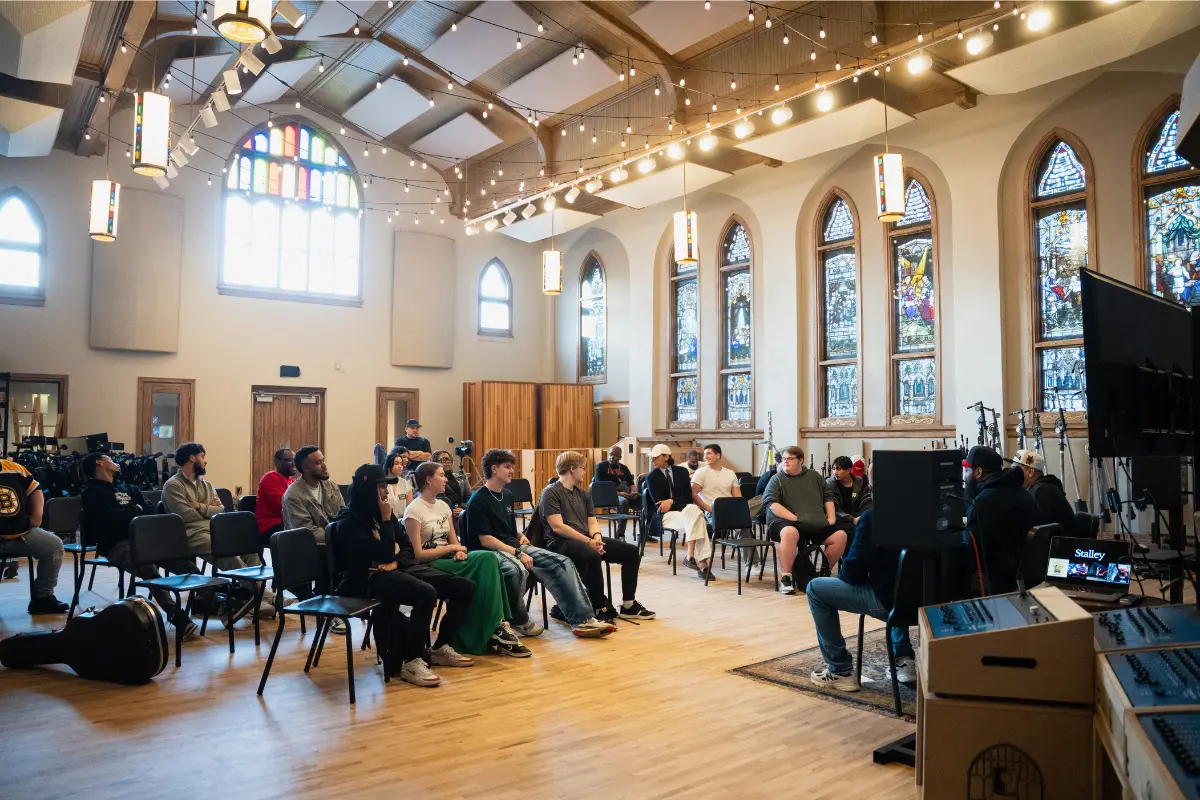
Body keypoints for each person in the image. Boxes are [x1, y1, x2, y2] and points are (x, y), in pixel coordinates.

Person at [464, 448, 613, 638]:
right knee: (517, 569)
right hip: (491, 551)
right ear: (494, 469)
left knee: (562, 562)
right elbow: (485, 539)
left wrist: (520, 535)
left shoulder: (507, 495)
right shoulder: (478, 499)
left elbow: (506, 528)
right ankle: (518, 620)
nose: (512, 471)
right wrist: (518, 552)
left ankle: (583, 620)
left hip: (514, 546)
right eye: (507, 467)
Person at [328, 464, 444, 688]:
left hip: (387, 574)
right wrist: (386, 521)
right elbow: (384, 551)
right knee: (426, 593)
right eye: (381, 487)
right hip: (360, 582)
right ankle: (412, 661)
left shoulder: (380, 513)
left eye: (386, 487)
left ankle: (428, 651)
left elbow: (407, 546)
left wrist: (396, 562)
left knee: (446, 585)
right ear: (366, 490)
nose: (385, 492)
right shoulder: (349, 521)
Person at [805, 464, 915, 691]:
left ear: (873, 486)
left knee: (815, 589)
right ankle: (904, 659)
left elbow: (851, 573)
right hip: (927, 602)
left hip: (887, 601)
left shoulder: (873, 518)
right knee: (902, 583)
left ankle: (840, 670)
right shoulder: (928, 515)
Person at [403, 461, 527, 658]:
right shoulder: (413, 510)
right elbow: (418, 555)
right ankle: (496, 625)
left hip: (449, 557)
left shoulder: (443, 505)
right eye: (441, 475)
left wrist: (459, 551)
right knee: (486, 561)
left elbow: (455, 542)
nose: (446, 479)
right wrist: (452, 549)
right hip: (429, 563)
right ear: (428, 480)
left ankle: (497, 624)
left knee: (489, 559)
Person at [80, 453, 198, 638]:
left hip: (146, 541)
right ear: (99, 463)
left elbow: (150, 510)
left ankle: (215, 602)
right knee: (148, 566)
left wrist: (128, 513)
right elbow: (110, 520)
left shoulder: (129, 488)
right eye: (109, 459)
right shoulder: (91, 494)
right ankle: (177, 616)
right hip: (117, 545)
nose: (115, 462)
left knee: (184, 563)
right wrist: (135, 510)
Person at [540, 451, 655, 623]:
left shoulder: (583, 493)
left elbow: (592, 521)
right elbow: (558, 527)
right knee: (591, 554)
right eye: (582, 468)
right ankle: (600, 606)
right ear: (572, 469)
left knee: (630, 551)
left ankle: (628, 605)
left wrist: (597, 538)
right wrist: (589, 541)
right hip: (561, 542)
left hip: (586, 539)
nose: (585, 471)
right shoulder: (550, 492)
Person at [163, 442, 273, 619]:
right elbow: (186, 516)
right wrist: (209, 509)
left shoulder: (206, 484)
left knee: (249, 549)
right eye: (202, 456)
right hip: (191, 535)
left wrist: (199, 506)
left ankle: (256, 596)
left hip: (215, 530)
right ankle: (262, 595)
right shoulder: (173, 485)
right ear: (192, 458)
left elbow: (220, 510)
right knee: (228, 555)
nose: (205, 461)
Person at [763, 445, 850, 595]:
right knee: (790, 532)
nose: (785, 461)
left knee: (840, 536)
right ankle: (786, 578)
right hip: (784, 521)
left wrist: (831, 518)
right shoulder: (776, 479)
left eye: (790, 459)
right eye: (784, 459)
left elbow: (828, 495)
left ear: (801, 460)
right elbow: (772, 503)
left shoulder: (814, 476)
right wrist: (796, 518)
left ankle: (824, 574)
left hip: (813, 520)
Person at [963, 446, 1041, 595]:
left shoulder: (983, 503)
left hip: (998, 584)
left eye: (967, 470)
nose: (965, 475)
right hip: (1026, 581)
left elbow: (969, 546)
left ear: (978, 472)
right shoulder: (1023, 493)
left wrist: (968, 504)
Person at [0, 457, 68, 614]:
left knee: (53, 545)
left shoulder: (15, 469)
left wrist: (37, 516)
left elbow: (35, 489)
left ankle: (43, 598)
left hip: (21, 533)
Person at [645, 444, 712, 580]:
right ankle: (702, 563)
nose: (653, 460)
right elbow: (660, 505)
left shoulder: (682, 472)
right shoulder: (651, 477)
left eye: (656, 457)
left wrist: (671, 501)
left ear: (666, 457)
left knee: (694, 511)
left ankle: (691, 556)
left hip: (685, 512)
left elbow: (688, 498)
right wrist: (675, 502)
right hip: (665, 516)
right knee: (698, 518)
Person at [280, 446, 344, 545]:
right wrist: (339, 536)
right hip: (309, 549)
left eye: (323, 460)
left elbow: (343, 515)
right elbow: (307, 533)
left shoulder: (331, 486)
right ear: (305, 468)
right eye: (318, 463)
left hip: (334, 544)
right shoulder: (293, 496)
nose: (324, 465)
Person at [1013, 449, 1075, 534]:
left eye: (1015, 469)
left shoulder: (1040, 492)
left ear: (1030, 472)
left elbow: (1036, 530)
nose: (1013, 473)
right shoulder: (1046, 487)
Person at [593, 445, 641, 539]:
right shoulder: (601, 466)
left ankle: (644, 534)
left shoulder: (624, 468)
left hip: (626, 494)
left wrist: (633, 491)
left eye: (615, 455)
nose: (612, 457)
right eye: (610, 454)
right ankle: (619, 535)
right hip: (608, 496)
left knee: (643, 500)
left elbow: (631, 484)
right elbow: (600, 487)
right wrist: (618, 494)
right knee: (623, 502)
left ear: (620, 457)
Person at [255, 448, 295, 546]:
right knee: (304, 534)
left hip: (288, 523)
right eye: (289, 460)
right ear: (277, 462)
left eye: (295, 460)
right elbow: (282, 507)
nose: (294, 463)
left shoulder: (292, 481)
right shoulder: (271, 477)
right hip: (270, 526)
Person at [827, 455, 872, 528]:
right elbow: (833, 509)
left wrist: (862, 517)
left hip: (858, 518)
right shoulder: (830, 484)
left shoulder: (859, 481)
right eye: (834, 469)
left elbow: (866, 501)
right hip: (839, 520)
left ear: (848, 470)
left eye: (838, 469)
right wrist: (852, 519)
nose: (835, 472)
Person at [383, 449, 414, 519]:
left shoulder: (406, 484)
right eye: (396, 464)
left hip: (403, 520)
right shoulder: (381, 484)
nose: (400, 466)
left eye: (401, 464)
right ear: (388, 466)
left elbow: (410, 508)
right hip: (386, 520)